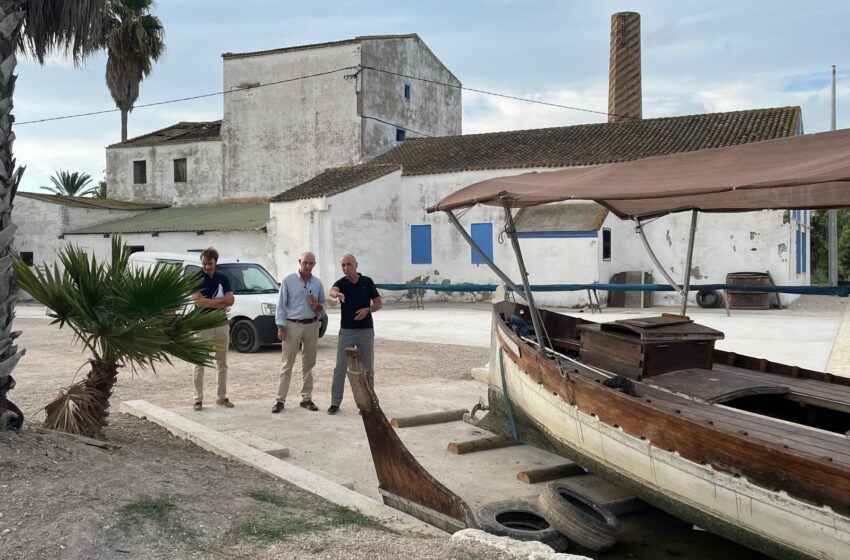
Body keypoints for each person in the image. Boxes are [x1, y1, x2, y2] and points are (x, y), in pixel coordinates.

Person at [327, 254, 382, 415]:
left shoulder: (367, 282)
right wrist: (337, 294)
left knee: (368, 369)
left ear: (356, 265)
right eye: (343, 265)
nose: (346, 268)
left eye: (348, 264)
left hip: (366, 331)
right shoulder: (341, 283)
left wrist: (368, 310)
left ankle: (368, 403)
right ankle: (335, 402)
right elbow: (332, 291)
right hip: (347, 331)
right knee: (340, 368)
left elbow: (379, 303)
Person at [272, 251, 325, 413]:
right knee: (287, 364)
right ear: (299, 262)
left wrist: (319, 308)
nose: (308, 266)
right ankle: (280, 400)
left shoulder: (317, 283)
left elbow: (322, 304)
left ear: (314, 265)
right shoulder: (288, 281)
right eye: (305, 263)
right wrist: (281, 327)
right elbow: (281, 305)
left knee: (309, 363)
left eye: (311, 263)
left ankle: (306, 398)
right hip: (292, 325)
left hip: (311, 324)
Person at [191, 247, 235, 411]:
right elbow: (199, 303)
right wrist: (220, 301)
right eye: (204, 263)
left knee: (222, 362)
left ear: (215, 262)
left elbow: (231, 301)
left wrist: (210, 301)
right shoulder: (195, 278)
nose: (207, 266)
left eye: (210, 263)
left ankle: (221, 397)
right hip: (202, 325)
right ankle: (198, 399)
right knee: (199, 362)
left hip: (221, 324)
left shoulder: (223, 278)